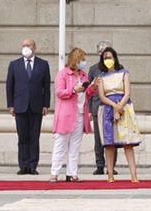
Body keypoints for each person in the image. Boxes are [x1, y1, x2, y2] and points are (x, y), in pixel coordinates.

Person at [5, 38, 51, 175]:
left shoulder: (43, 64)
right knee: (22, 137)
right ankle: (23, 165)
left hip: (36, 106)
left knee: (34, 137)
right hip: (20, 105)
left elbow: (46, 86)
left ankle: (32, 165)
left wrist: (46, 104)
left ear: (34, 47)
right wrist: (10, 105)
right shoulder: (14, 64)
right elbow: (9, 86)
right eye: (24, 45)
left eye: (28, 45)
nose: (26, 47)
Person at [97, 47, 141, 183]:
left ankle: (133, 174)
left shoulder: (124, 73)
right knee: (109, 144)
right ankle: (110, 174)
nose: (108, 60)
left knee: (128, 143)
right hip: (107, 108)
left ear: (115, 58)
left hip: (124, 107)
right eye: (105, 58)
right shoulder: (100, 77)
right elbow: (102, 96)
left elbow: (127, 93)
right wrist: (114, 107)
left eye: (110, 57)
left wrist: (120, 107)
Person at [50, 47, 92, 183]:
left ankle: (72, 173)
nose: (83, 63)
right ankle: (54, 172)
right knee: (61, 143)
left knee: (75, 145)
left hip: (80, 113)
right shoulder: (63, 74)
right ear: (75, 60)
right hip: (66, 114)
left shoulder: (84, 75)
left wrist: (93, 87)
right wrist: (73, 90)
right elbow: (59, 92)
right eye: (82, 60)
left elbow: (87, 94)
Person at [87, 39, 116, 176]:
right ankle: (99, 165)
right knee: (98, 140)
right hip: (97, 107)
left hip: (113, 106)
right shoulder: (93, 69)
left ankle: (112, 166)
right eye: (102, 51)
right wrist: (88, 110)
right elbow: (89, 91)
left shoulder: (117, 68)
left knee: (113, 138)